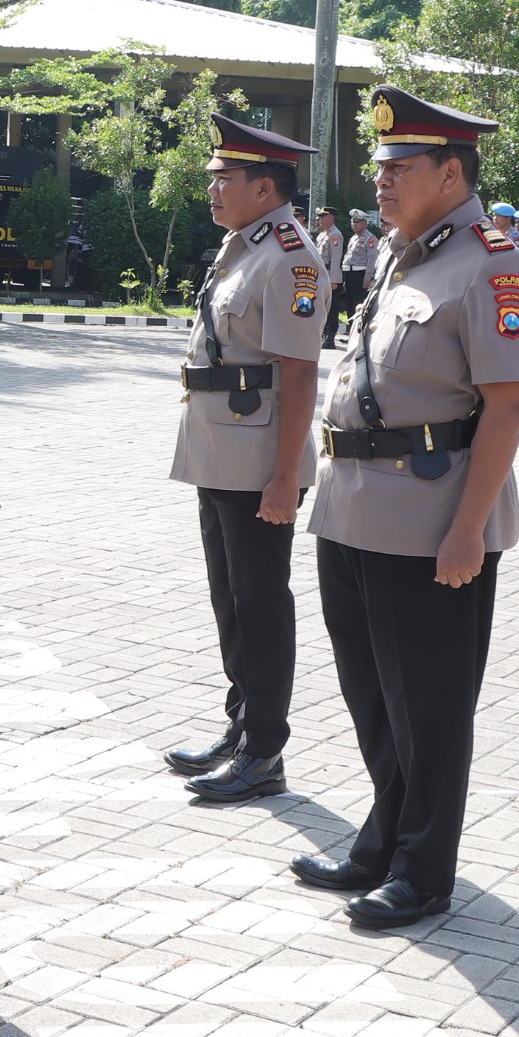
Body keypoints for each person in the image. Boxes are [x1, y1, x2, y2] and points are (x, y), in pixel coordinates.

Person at [291, 87, 519, 930]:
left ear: (451, 171)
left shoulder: (492, 263)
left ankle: (424, 868)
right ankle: (383, 835)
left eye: (399, 166)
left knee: (429, 703)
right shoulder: (408, 254)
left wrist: (469, 527)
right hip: (354, 508)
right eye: (380, 165)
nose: (382, 179)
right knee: (372, 692)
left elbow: (506, 404)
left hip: (432, 519)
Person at [158, 118, 328, 803]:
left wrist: (285, 475)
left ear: (265, 186)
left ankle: (265, 749)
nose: (212, 187)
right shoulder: (245, 245)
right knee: (230, 597)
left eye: (223, 178)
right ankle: (240, 725)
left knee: (259, 601)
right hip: (219, 449)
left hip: (260, 459)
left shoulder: (292, 257)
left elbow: (299, 374)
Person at [337, 210, 377, 350]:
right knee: (349, 304)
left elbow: (371, 260)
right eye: (353, 222)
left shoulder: (370, 238)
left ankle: (360, 335)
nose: (354, 224)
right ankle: (350, 332)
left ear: (365, 223)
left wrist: (367, 278)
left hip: (360, 275)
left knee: (358, 304)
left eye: (357, 221)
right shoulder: (354, 238)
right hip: (349, 274)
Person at [314, 206, 346, 349]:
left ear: (331, 218)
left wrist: (333, 280)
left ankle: (330, 337)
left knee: (332, 308)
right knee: (322, 305)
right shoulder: (323, 235)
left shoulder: (335, 235)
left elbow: (336, 259)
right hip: (321, 274)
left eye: (323, 216)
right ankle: (323, 333)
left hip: (330, 275)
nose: (319, 219)